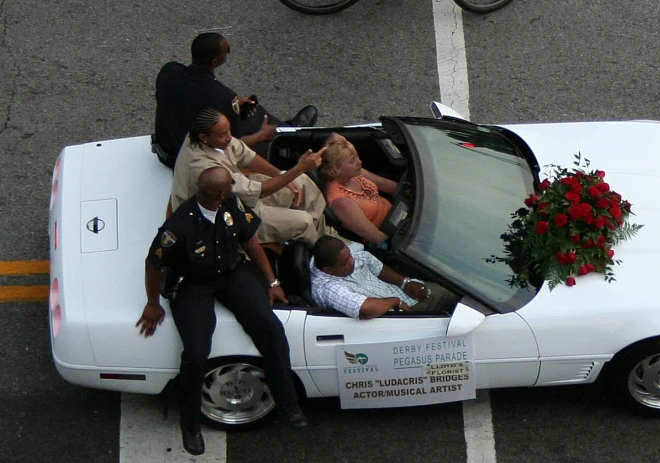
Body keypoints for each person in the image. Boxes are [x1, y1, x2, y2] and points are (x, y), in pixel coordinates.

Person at [136, 167, 308, 456]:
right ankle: (190, 424)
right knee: (196, 352)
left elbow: (249, 240)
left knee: (270, 329)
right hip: (192, 285)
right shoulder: (178, 227)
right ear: (221, 193)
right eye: (230, 183)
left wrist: (271, 281)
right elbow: (153, 265)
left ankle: (288, 405)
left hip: (231, 274)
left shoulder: (232, 205)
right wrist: (152, 303)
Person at [171, 107, 334, 246]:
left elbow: (246, 155)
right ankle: (321, 252)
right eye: (223, 134)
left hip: (240, 190)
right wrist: (299, 168)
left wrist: (282, 175)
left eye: (229, 130)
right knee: (302, 221)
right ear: (204, 137)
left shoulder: (214, 138)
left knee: (302, 182)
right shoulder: (203, 168)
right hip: (225, 214)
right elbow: (257, 192)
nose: (229, 137)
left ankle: (322, 232)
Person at [154, 31, 319, 168]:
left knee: (246, 112)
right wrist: (261, 135)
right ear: (216, 61)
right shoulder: (221, 99)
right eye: (227, 50)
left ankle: (289, 131)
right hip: (184, 160)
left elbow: (189, 99)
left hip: (165, 145)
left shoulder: (169, 71)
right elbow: (233, 144)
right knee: (257, 119)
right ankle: (291, 135)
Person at [310, 236, 460, 319]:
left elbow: (375, 265)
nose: (352, 261)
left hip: (400, 294)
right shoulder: (328, 289)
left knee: (450, 292)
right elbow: (366, 310)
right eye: (346, 262)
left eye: (349, 255)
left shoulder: (340, 257)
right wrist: (396, 301)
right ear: (328, 270)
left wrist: (404, 283)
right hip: (394, 317)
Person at [320, 133, 398, 244]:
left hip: (398, 213)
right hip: (391, 232)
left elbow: (382, 184)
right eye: (352, 161)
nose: (359, 162)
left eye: (357, 157)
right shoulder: (341, 203)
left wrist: (409, 192)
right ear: (336, 168)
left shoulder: (355, 173)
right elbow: (377, 237)